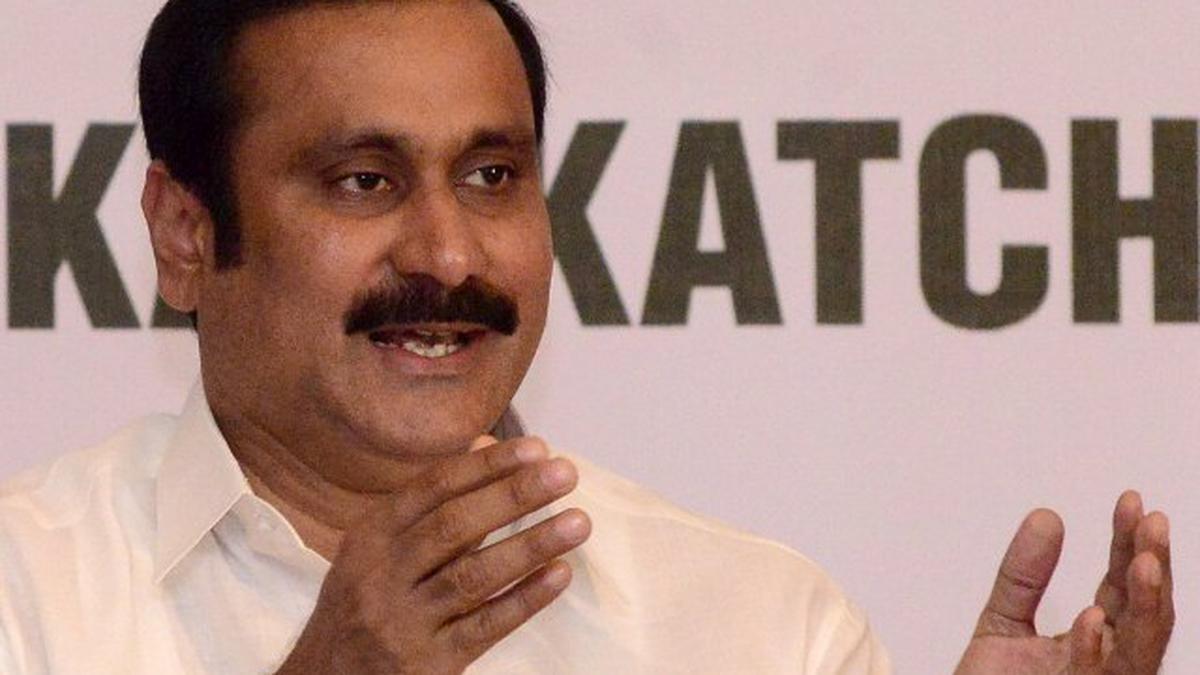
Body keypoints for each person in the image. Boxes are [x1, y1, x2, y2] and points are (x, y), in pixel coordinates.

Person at [0, 0, 1173, 672]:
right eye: (365, 182)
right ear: (186, 232)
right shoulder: (28, 596)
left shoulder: (753, 627)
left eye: (492, 175)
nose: (448, 255)